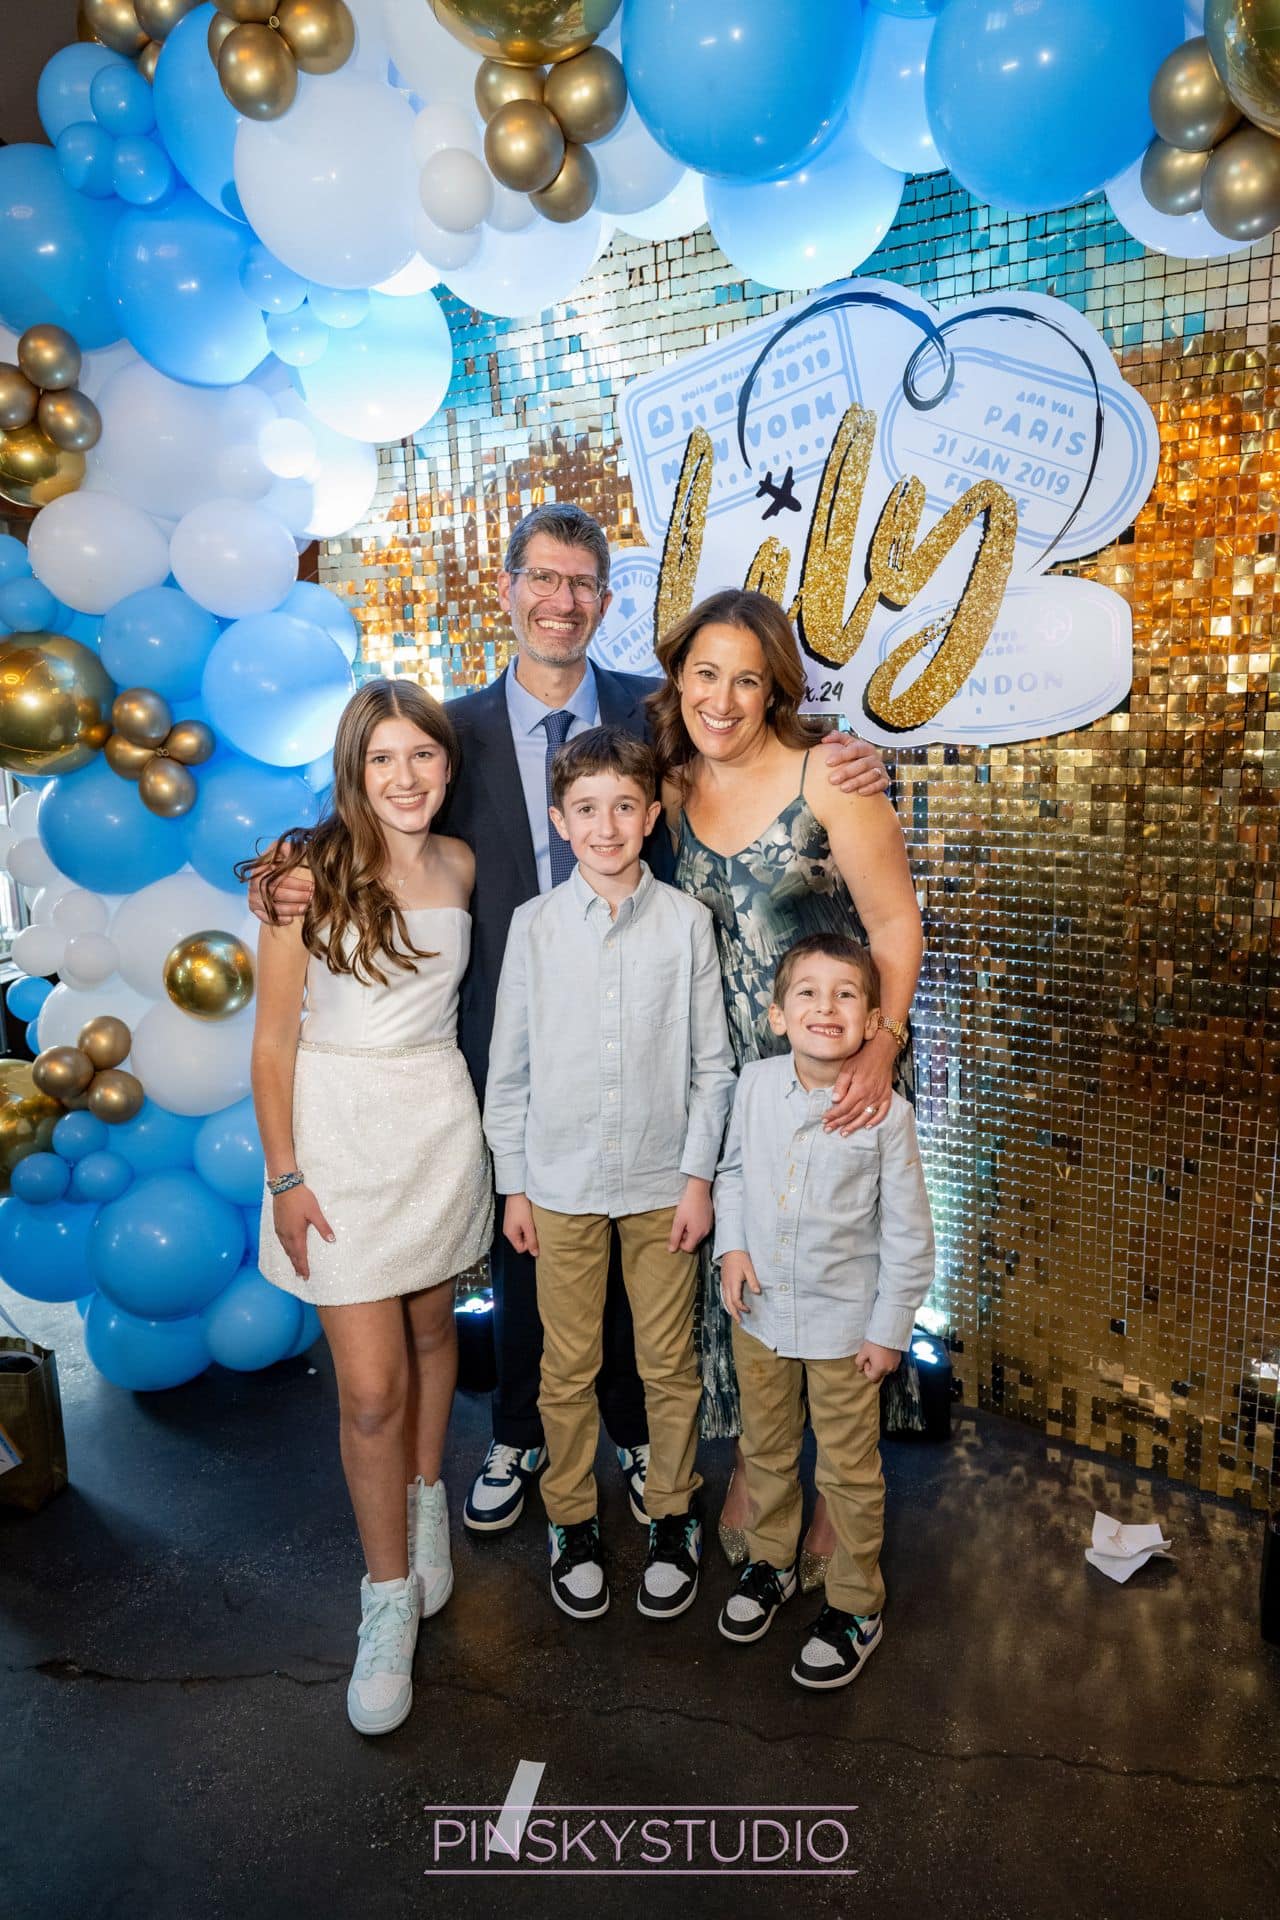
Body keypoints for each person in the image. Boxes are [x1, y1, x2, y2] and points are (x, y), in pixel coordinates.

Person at [251, 506, 888, 1552]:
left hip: (645, 1029)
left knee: (646, 1260)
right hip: (493, 1038)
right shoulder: (449, 730)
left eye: (583, 583)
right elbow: (376, 809)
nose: (561, 600)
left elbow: (751, 751)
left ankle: (641, 1441)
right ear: (506, 589)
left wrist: (839, 754)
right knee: (525, 1257)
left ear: (605, 599)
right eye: (542, 579)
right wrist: (289, 867)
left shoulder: (658, 714)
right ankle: (519, 1439)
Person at [650, 587, 923, 1588]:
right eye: (703, 674)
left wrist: (879, 1049)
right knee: (749, 1278)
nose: (721, 699)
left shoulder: (831, 777)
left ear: (775, 690)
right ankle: (769, 1479)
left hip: (835, 1060)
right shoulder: (673, 787)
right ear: (676, 680)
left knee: (838, 1276)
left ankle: (835, 1489)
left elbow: (893, 928)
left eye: (746, 679)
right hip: (733, 1079)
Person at [247, 680, 493, 1737]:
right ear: (355, 768)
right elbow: (272, 1043)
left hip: (435, 1123)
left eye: (423, 757)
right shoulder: (302, 877)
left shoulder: (462, 865)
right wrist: (286, 1177)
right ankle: (384, 1599)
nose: (405, 778)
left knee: (436, 1330)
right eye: (383, 759)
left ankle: (428, 1500)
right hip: (336, 1137)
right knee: (368, 1391)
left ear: (447, 765)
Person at [483, 729, 736, 1622]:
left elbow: (714, 1065)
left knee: (668, 1365)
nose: (607, 825)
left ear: (652, 816)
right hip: (558, 1188)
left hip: (664, 1186)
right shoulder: (534, 928)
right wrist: (514, 1182)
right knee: (567, 1365)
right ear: (560, 820)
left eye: (625, 807)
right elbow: (508, 1068)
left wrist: (699, 1178)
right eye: (586, 809)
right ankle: (572, 1519)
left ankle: (672, 1514)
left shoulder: (686, 925)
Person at [714, 933, 935, 1689]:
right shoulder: (754, 1086)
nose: (825, 1007)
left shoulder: (887, 1116)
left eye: (845, 994)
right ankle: (773, 1564)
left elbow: (909, 1233)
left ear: (873, 1022)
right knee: (767, 1448)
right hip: (762, 1316)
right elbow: (735, 1172)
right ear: (777, 1015)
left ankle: (854, 1604)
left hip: (846, 1329)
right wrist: (732, 1249)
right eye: (807, 992)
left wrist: (889, 1328)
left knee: (848, 1471)